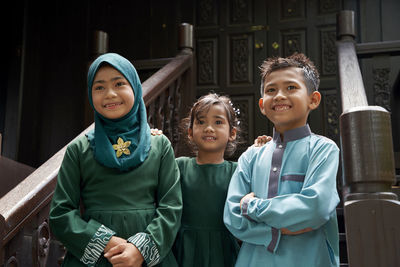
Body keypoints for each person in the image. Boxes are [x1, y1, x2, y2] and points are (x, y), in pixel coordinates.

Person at [49, 53, 182, 267]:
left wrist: (140, 249)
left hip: (147, 259)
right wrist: (104, 243)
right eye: (99, 87)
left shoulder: (160, 145)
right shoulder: (78, 149)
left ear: (135, 89)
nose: (110, 94)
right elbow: (61, 213)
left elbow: (172, 207)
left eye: (119, 84)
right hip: (95, 259)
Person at [223, 53, 340, 267]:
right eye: (271, 90)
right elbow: (232, 215)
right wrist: (277, 230)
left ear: (313, 99)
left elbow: (316, 207)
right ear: (261, 104)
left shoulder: (323, 149)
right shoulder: (251, 156)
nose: (279, 96)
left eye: (291, 88)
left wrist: (252, 205)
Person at [172, 93, 241, 267]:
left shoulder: (237, 171)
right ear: (190, 132)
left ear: (232, 133)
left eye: (218, 122)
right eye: (201, 122)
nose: (209, 128)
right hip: (184, 249)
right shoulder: (178, 167)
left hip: (224, 250)